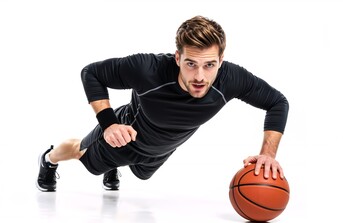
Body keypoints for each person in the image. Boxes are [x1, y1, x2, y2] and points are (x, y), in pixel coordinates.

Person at [36, 15, 289, 192]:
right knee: (81, 153)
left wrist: (268, 155)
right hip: (126, 136)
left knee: (142, 175)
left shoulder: (232, 79)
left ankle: (115, 165)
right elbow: (91, 73)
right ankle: (49, 159)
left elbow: (277, 102)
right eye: (191, 64)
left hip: (162, 149)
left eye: (209, 65)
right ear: (177, 57)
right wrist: (109, 123)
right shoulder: (148, 69)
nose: (200, 76)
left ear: (221, 60)